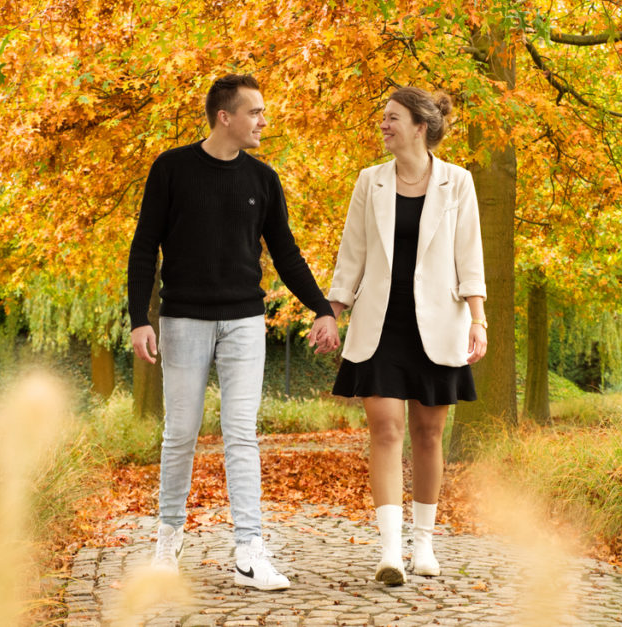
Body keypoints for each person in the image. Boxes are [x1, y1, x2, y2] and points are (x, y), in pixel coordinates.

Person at [127, 73, 339, 591]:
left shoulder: (263, 179)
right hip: (182, 321)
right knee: (180, 434)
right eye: (255, 112)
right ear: (226, 117)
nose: (263, 121)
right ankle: (167, 543)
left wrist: (322, 308)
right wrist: (139, 318)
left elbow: (285, 251)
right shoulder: (172, 169)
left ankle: (249, 549)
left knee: (241, 432)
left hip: (245, 320)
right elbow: (144, 246)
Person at [327, 87, 487, 585]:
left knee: (428, 433)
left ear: (420, 126)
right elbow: (351, 254)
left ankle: (424, 545)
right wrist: (331, 312)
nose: (383, 124)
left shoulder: (458, 183)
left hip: (440, 323)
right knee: (386, 429)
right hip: (381, 324)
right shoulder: (368, 182)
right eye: (383, 117)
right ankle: (390, 552)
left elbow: (469, 254)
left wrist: (479, 320)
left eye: (393, 117)